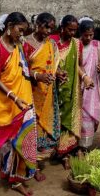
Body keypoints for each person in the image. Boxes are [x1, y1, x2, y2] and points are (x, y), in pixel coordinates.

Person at [0, 12, 37, 196]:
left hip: (24, 99)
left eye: (24, 32)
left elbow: (29, 68)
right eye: (20, 30)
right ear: (10, 25)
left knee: (23, 139)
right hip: (5, 102)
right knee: (8, 142)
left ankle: (18, 175)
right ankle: (12, 177)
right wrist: (13, 97)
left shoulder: (20, 46)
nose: (22, 35)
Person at [50, 15, 93, 169]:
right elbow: (46, 65)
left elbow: (78, 66)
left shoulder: (77, 44)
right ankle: (57, 152)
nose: (73, 33)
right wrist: (56, 72)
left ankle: (66, 152)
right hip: (53, 90)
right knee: (55, 120)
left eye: (75, 30)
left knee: (69, 120)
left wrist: (86, 77)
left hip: (71, 91)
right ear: (62, 28)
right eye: (70, 30)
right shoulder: (51, 42)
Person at [23, 13, 60, 180]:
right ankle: (33, 167)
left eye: (51, 28)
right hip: (30, 93)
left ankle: (38, 161)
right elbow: (20, 69)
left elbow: (54, 65)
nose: (48, 31)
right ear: (37, 24)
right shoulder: (25, 43)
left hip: (48, 94)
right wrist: (38, 76)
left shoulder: (51, 43)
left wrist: (60, 73)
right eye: (46, 27)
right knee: (32, 130)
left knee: (44, 132)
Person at [78, 17, 100, 152]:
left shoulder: (98, 46)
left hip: (92, 88)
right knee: (77, 116)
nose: (89, 38)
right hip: (77, 86)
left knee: (87, 118)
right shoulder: (75, 45)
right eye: (86, 35)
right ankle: (73, 146)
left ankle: (84, 147)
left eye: (91, 35)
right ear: (80, 33)